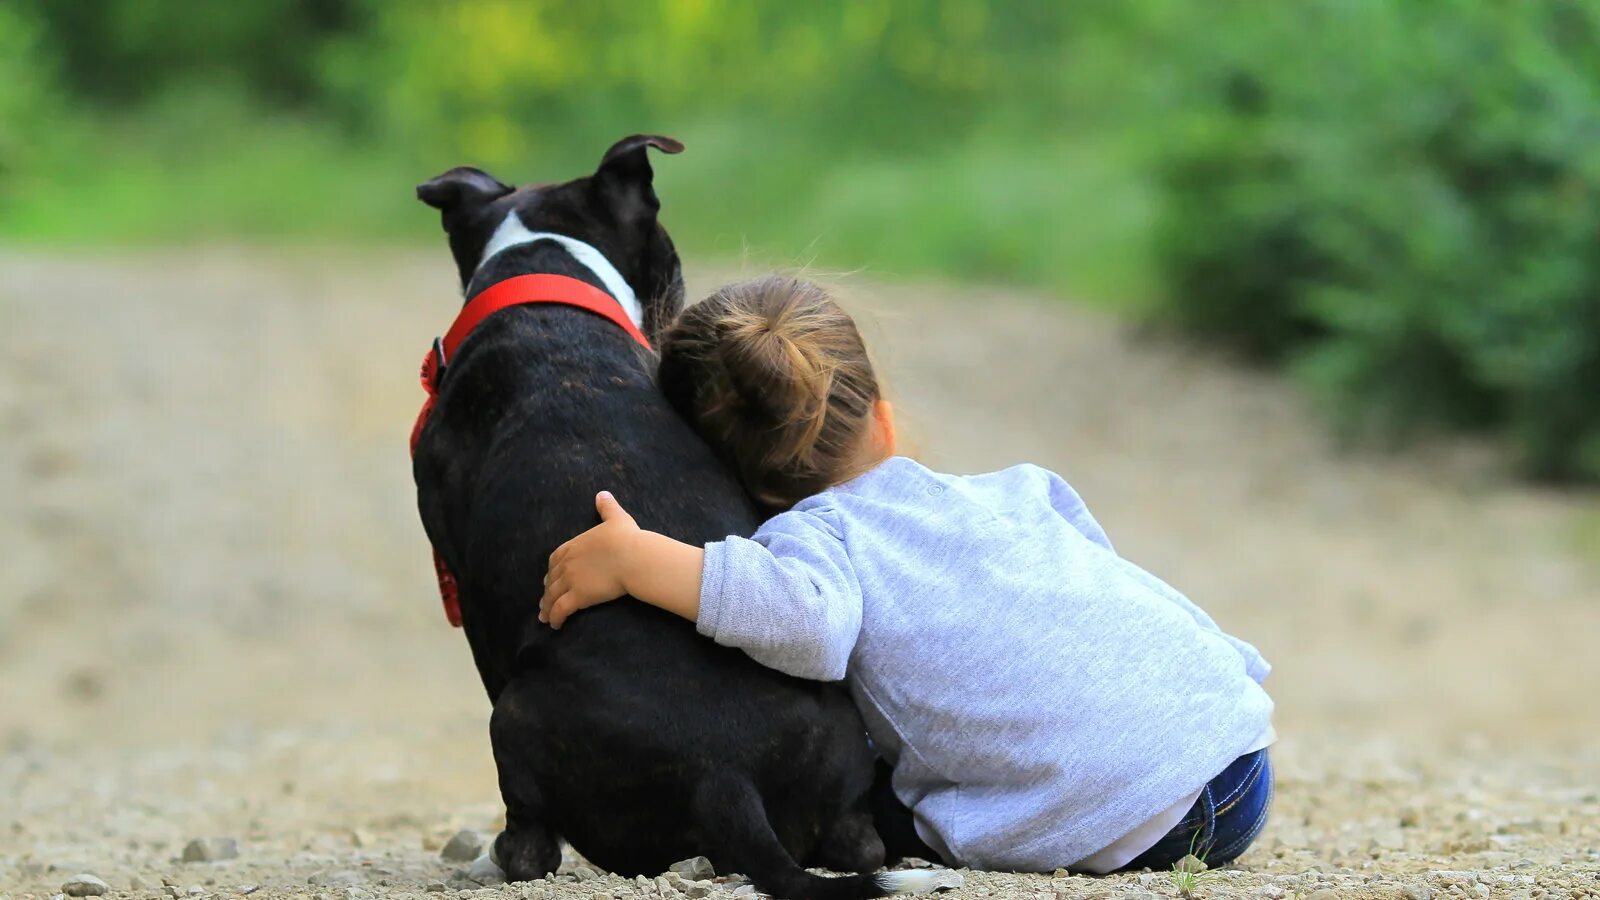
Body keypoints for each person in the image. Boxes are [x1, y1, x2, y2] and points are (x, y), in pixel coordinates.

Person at [538, 276, 1275, 873]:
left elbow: (807, 625)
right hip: (1235, 753)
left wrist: (644, 561)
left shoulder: (816, 536)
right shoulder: (1020, 488)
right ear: (882, 419)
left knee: (865, 802)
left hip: (1142, 823)